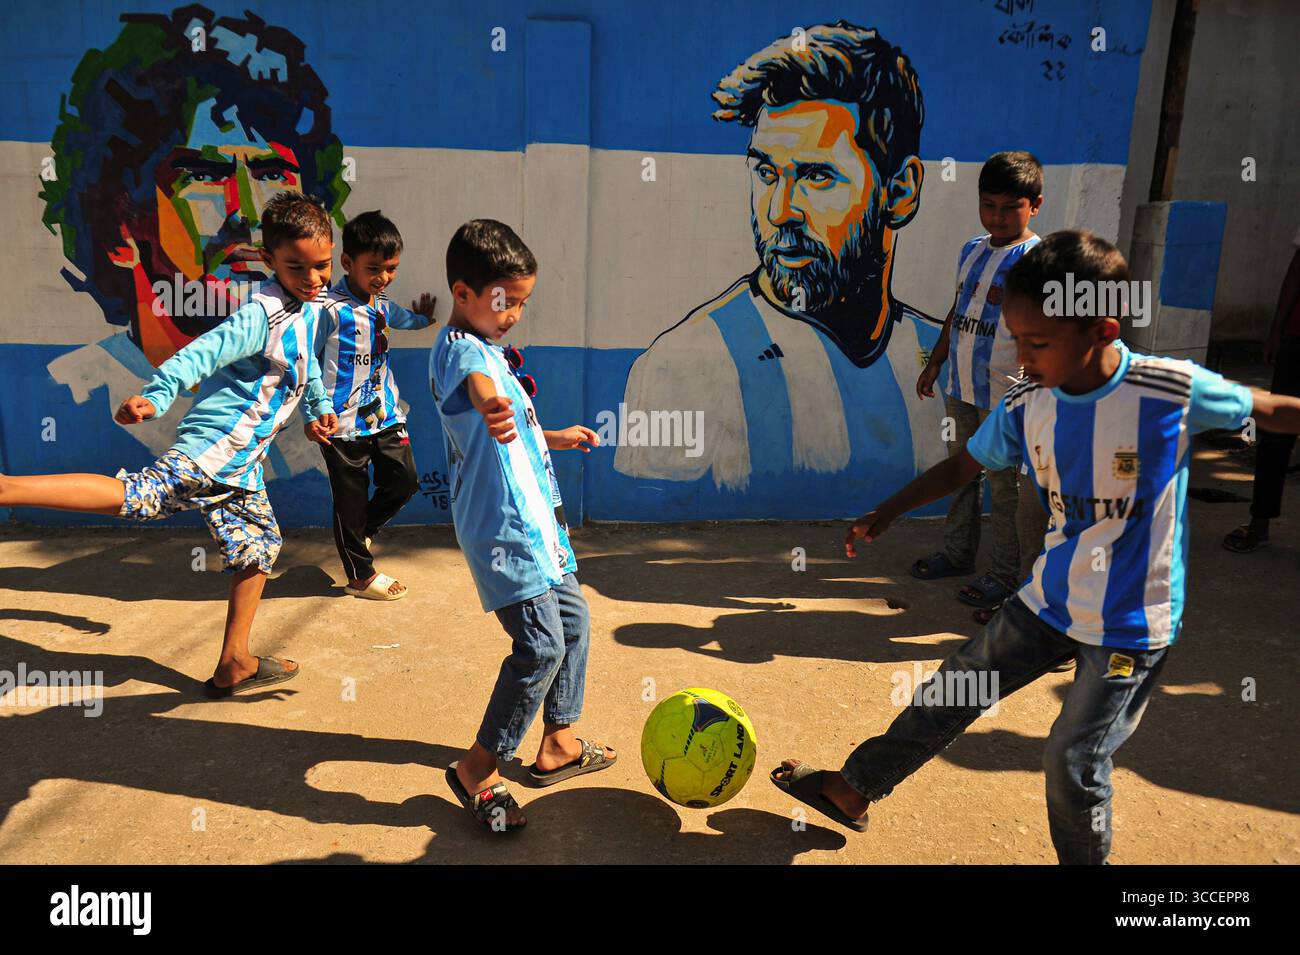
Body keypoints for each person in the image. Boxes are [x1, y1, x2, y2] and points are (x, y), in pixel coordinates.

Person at [772, 230, 1300, 863]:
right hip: (1048, 601)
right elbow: (963, 466)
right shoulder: (1030, 407)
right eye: (1017, 339)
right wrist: (886, 512)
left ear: (1103, 330)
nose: (1023, 358)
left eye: (1038, 343)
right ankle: (854, 790)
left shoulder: (1167, 391)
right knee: (952, 689)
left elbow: (1269, 409)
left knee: (1073, 758)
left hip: (1129, 627)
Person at [0, 192, 339, 697]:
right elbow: (198, 355)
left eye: (323, 266)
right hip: (216, 450)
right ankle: (8, 489)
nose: (314, 279)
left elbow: (305, 369)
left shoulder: (310, 309)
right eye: (298, 268)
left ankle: (235, 662)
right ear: (268, 261)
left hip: (241, 467)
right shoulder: (260, 316)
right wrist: (156, 396)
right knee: (143, 496)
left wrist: (318, 412)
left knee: (259, 548)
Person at [429, 219, 616, 831]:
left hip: (541, 526)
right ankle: (476, 770)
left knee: (574, 622)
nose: (513, 314)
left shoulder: (491, 349)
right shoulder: (460, 348)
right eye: (504, 300)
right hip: (504, 534)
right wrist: (489, 404)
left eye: (522, 302)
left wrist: (551, 435)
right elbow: (480, 390)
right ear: (463, 294)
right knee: (539, 647)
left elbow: (511, 419)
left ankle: (559, 743)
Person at [913, 151, 1043, 613]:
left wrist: (1034, 385)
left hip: (1008, 396)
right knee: (960, 477)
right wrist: (935, 362)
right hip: (962, 388)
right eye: (989, 205)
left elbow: (1044, 328)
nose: (998, 216)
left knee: (1006, 490)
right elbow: (959, 310)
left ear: (1035, 205)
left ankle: (1005, 575)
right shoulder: (971, 250)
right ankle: (957, 553)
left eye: (1011, 207)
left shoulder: (1038, 260)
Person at [310, 211, 437, 600]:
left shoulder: (381, 304)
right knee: (349, 498)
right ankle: (360, 575)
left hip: (384, 415)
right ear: (347, 263)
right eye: (374, 268)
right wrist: (313, 411)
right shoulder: (327, 309)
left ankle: (362, 531)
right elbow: (307, 361)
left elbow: (401, 319)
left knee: (405, 479)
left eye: (391, 268)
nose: (383, 277)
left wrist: (423, 319)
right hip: (340, 423)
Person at [1223, 228, 1300, 553]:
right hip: (1298, 338)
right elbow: (1297, 268)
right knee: (1276, 432)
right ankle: (1260, 521)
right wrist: (1277, 331)